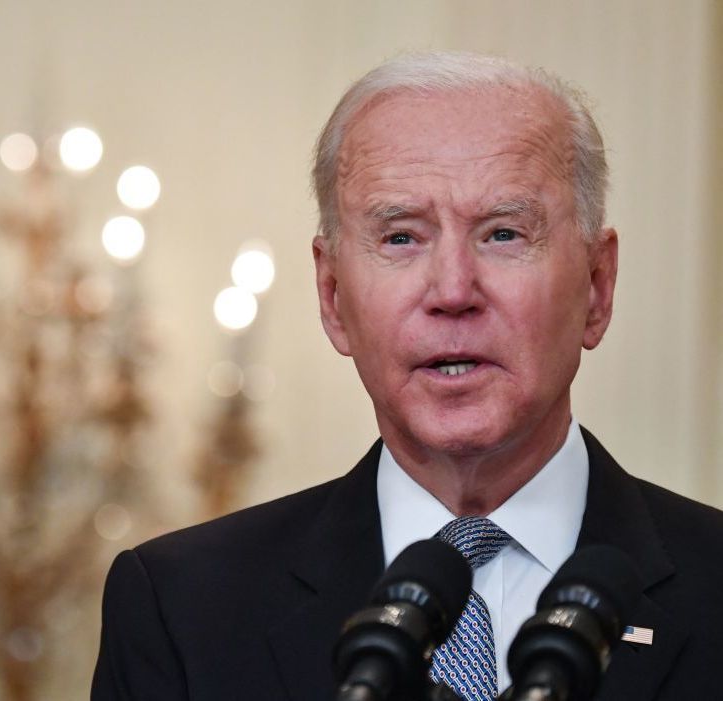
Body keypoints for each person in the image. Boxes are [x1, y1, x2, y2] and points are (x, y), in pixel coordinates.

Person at [91, 51, 723, 701]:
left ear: (597, 285)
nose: (452, 290)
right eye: (400, 238)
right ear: (333, 295)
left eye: (504, 233)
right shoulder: (182, 606)